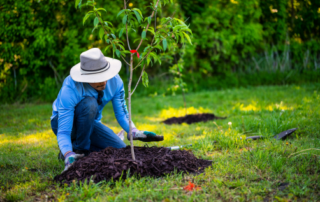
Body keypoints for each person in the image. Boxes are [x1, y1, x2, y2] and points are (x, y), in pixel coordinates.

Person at [50, 48, 158, 172]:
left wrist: (133, 131)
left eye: (104, 75)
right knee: (90, 104)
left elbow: (122, 114)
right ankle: (78, 151)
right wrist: (68, 154)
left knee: (120, 149)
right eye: (96, 78)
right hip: (62, 123)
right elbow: (64, 131)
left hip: (90, 123)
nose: (103, 81)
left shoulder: (115, 82)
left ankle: (74, 148)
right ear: (85, 77)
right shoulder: (71, 87)